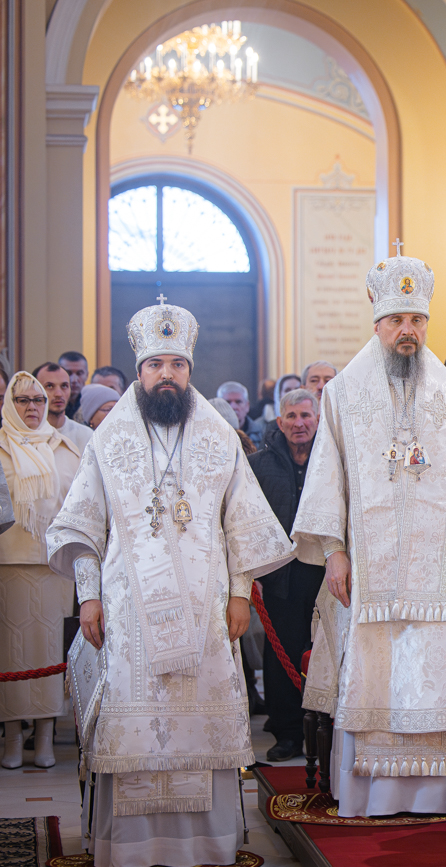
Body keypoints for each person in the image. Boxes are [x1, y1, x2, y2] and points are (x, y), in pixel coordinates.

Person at [47, 297, 293, 867]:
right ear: (139, 372)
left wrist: (238, 596)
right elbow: (84, 526)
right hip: (129, 611)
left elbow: (243, 525)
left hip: (205, 610)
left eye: (176, 365)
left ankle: (204, 846)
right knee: (132, 723)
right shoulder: (109, 439)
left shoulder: (217, 433)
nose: (166, 375)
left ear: (190, 370)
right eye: (156, 364)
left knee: (200, 725)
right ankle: (129, 849)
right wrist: (89, 596)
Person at [294, 251, 446, 817]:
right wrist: (334, 553)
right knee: (370, 674)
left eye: (417, 321)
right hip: (365, 574)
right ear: (377, 322)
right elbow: (328, 480)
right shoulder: (343, 394)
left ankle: (434, 793)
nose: (408, 332)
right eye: (397, 321)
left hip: (434, 572)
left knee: (430, 667)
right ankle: (367, 792)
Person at [249, 388, 326, 762]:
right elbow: (248, 522)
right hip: (278, 577)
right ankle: (288, 732)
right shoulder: (259, 465)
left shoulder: (331, 461)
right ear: (280, 422)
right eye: (292, 417)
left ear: (317, 419)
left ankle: (324, 726)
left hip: (324, 574)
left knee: (322, 651)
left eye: (306, 416)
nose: (299, 424)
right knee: (281, 654)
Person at [0, 373, 68, 769]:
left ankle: (44, 737)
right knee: (11, 657)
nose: (31, 408)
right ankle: (12, 738)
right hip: (8, 564)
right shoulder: (1, 445)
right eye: (23, 400)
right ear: (10, 402)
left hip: (53, 567)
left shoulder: (63, 448)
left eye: (38, 400)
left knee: (48, 657)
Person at [33, 362, 92, 452]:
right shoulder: (26, 435)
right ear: (34, 390)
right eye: (49, 386)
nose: (59, 394)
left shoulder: (86, 435)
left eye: (64, 386)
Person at [216, 381, 264, 448]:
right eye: (227, 402)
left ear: (247, 406)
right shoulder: (211, 433)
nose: (233, 407)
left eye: (238, 402)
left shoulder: (262, 433)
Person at [58, 350, 89, 419]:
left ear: (87, 375)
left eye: (79, 373)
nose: (74, 380)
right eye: (68, 373)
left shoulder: (91, 402)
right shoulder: (50, 401)